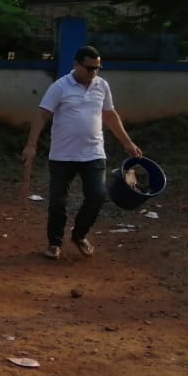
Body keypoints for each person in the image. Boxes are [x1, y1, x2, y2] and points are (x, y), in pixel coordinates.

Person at [22, 46, 142, 260]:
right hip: (62, 155)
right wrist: (31, 145)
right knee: (58, 201)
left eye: (97, 68)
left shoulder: (102, 86)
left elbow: (110, 115)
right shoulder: (59, 87)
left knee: (97, 195)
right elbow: (42, 115)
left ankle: (79, 235)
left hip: (93, 153)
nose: (93, 72)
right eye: (89, 68)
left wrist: (127, 143)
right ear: (76, 65)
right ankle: (54, 243)